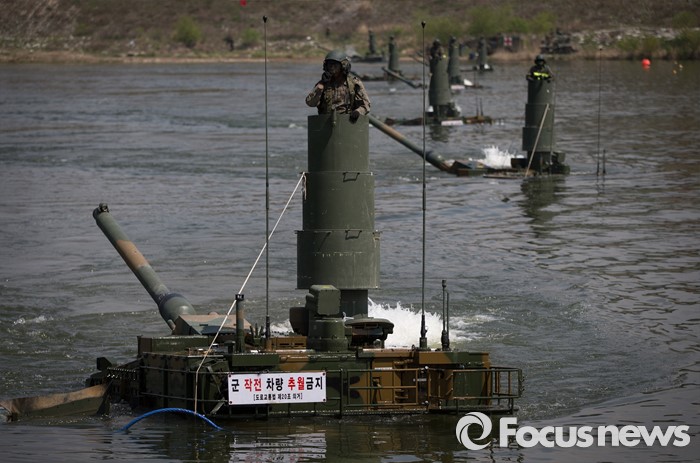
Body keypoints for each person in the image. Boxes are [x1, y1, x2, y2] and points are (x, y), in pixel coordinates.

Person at [305, 50, 371, 121]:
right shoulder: (323, 84)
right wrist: (321, 86)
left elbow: (366, 105)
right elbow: (310, 103)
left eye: (335, 64)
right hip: (327, 122)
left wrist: (357, 112)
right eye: (329, 64)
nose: (331, 67)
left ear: (343, 65)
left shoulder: (354, 83)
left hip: (347, 121)